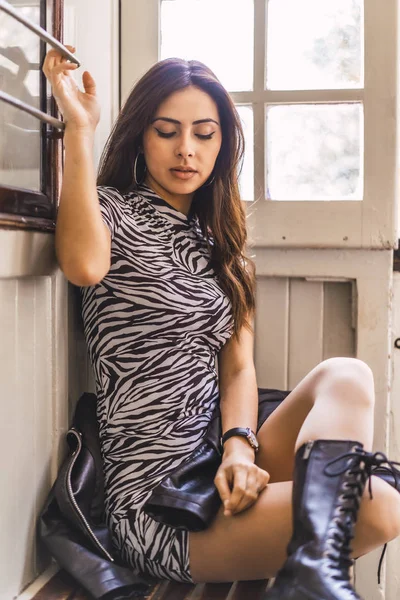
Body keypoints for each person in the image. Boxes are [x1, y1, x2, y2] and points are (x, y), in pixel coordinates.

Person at [42, 45, 400, 599]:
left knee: (347, 374)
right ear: (141, 135)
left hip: (217, 461)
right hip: (159, 503)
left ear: (223, 144)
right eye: (166, 131)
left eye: (204, 134)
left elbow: (236, 370)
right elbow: (83, 265)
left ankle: (310, 561)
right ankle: (315, 562)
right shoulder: (110, 211)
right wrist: (80, 128)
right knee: (378, 508)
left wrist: (239, 448)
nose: (186, 150)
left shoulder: (225, 252)